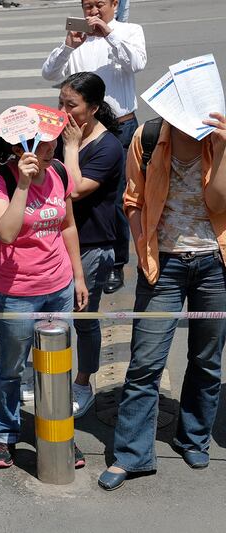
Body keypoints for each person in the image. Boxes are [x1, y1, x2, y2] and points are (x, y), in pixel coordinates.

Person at [98, 113, 226, 491]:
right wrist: (142, 248)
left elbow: (218, 203)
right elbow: (133, 199)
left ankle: (194, 438)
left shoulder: (218, 137)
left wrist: (221, 153)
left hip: (215, 264)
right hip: (163, 264)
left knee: (207, 360)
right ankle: (131, 455)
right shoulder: (149, 136)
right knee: (145, 362)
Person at [0, 124, 89, 469]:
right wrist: (24, 185)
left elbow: (67, 225)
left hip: (58, 288)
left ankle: (57, 434)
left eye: (52, 139)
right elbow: (7, 233)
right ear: (19, 147)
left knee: (55, 367)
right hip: (16, 293)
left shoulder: (58, 172)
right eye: (42, 142)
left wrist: (78, 277)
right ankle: (4, 434)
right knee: (12, 367)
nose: (51, 146)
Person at [41, 0, 147, 295]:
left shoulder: (129, 31)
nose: (93, 12)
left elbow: (137, 63)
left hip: (119, 126)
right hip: (76, 127)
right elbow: (49, 73)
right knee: (69, 190)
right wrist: (68, 47)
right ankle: (74, 250)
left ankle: (115, 262)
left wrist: (109, 34)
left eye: (99, 5)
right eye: (88, 6)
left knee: (117, 197)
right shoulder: (78, 40)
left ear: (114, 4)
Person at [55, 72, 123, 418]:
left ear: (93, 108)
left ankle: (83, 382)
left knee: (84, 317)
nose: (64, 111)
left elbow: (76, 189)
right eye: (61, 102)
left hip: (92, 245)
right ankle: (48, 377)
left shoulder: (108, 145)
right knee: (51, 316)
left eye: (72, 105)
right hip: (57, 239)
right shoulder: (62, 133)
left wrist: (69, 147)